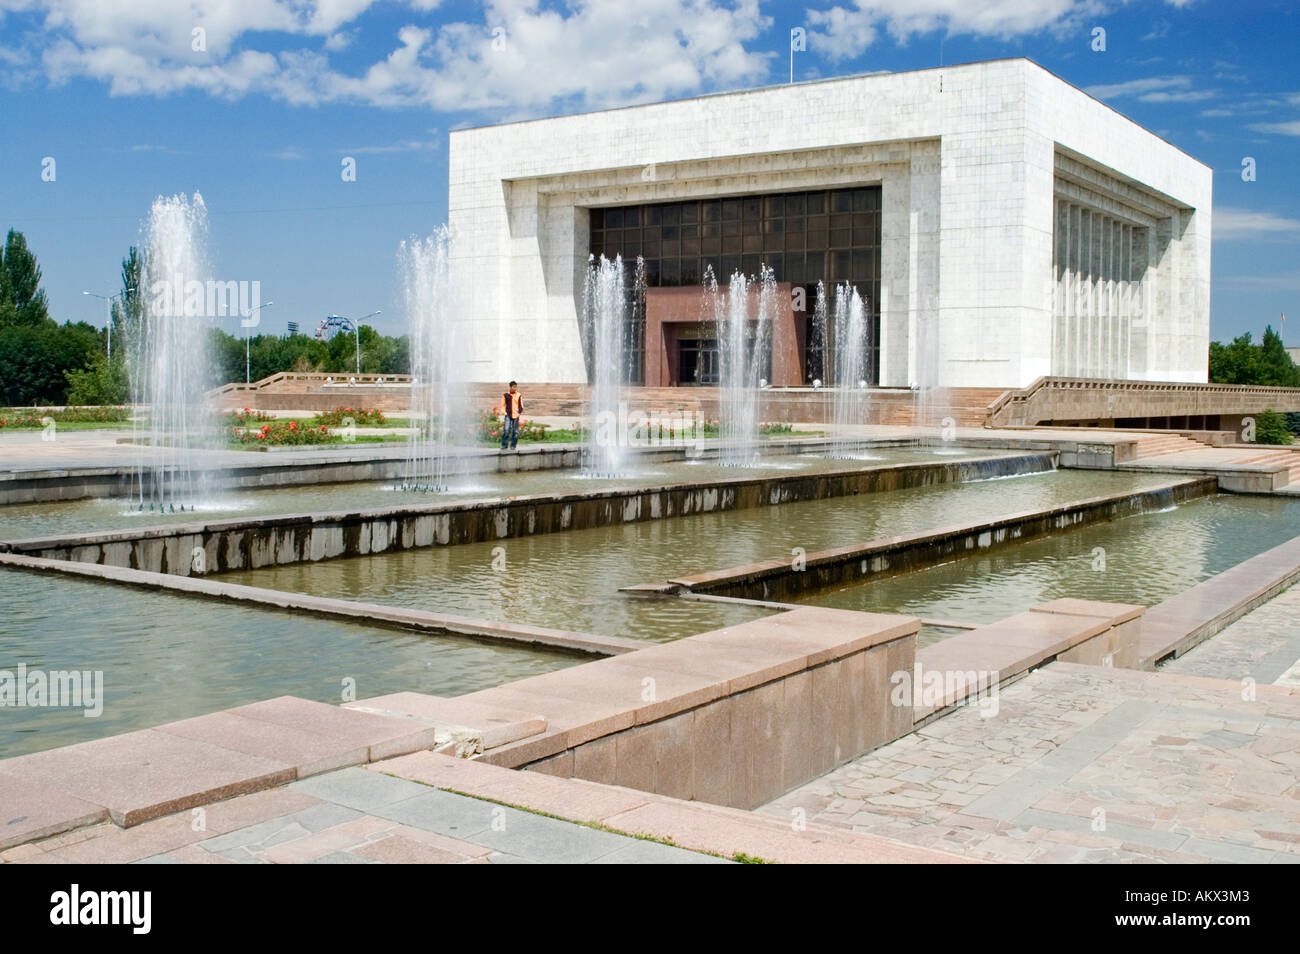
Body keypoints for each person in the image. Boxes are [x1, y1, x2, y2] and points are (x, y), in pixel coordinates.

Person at [501, 380, 523, 450]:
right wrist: (505, 413)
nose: (515, 388)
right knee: (506, 430)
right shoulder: (505, 395)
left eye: (516, 387)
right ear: (510, 387)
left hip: (516, 415)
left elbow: (521, 405)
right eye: (514, 387)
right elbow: (502, 405)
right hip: (508, 415)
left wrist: (519, 413)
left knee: (515, 431)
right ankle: (504, 445)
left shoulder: (519, 395)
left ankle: (513, 445)